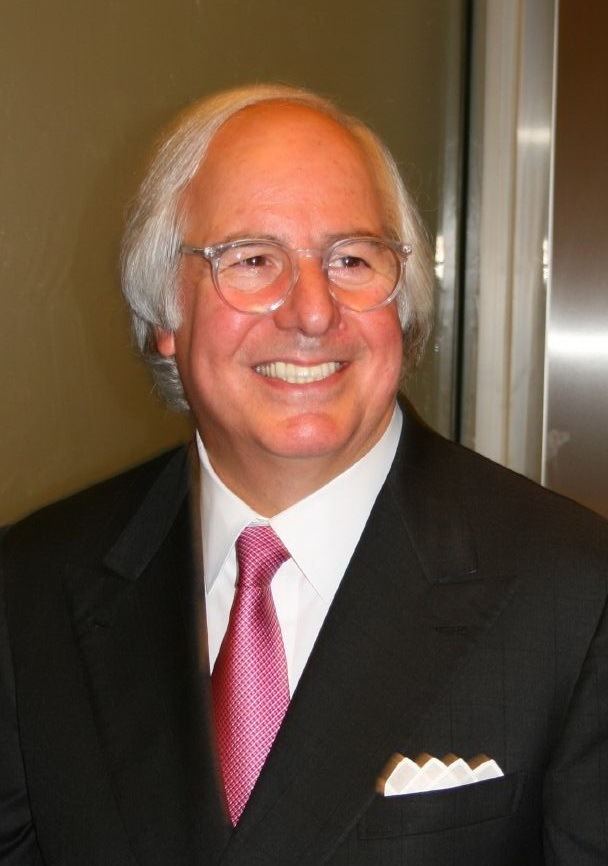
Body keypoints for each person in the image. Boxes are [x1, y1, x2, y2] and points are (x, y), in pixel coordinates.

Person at [1, 83, 607, 866]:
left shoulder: (575, 594)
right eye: (252, 259)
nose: (313, 311)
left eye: (351, 258)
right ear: (164, 320)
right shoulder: (31, 590)